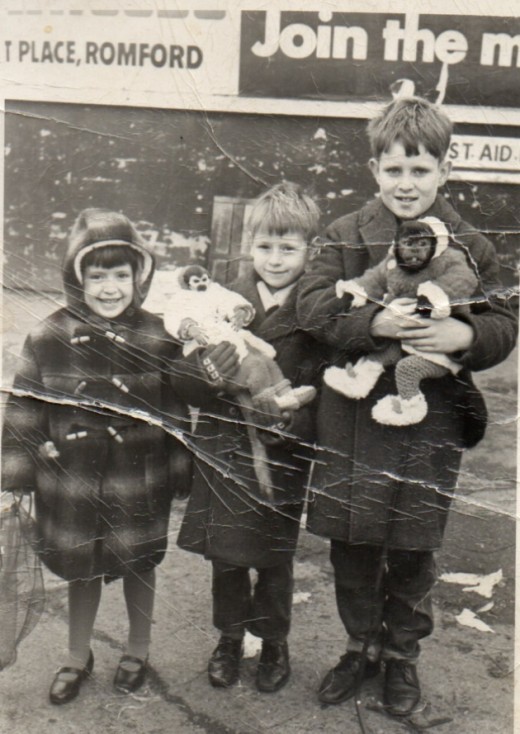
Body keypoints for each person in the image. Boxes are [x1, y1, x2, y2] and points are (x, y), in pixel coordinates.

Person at [296, 97, 517, 716]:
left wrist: (468, 337)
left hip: (430, 419)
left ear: (445, 170)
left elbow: (504, 318)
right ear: (374, 170)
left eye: (421, 171)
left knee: (415, 544)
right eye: (394, 170)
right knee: (353, 542)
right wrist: (374, 322)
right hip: (352, 415)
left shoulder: (470, 244)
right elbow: (311, 308)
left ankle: (401, 659)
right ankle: (359, 646)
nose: (406, 184)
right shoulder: (343, 235)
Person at [1, 208, 193, 704]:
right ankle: (75, 655)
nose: (110, 287)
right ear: (76, 277)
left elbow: (174, 411)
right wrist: (19, 472)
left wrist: (179, 473)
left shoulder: (159, 335)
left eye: (122, 274)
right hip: (71, 477)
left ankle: (137, 649)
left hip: (139, 476)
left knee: (140, 562)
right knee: (81, 565)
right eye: (98, 274)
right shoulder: (48, 335)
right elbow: (24, 405)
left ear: (139, 277)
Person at [177, 181, 324, 693]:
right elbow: (183, 377)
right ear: (249, 247)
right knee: (227, 557)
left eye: (289, 248)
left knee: (275, 557)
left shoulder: (316, 310)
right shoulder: (221, 299)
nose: (276, 259)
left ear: (310, 250)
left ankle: (275, 641)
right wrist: (206, 373)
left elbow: (321, 389)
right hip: (225, 448)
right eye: (265, 247)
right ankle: (230, 639)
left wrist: (292, 423)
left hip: (281, 451)